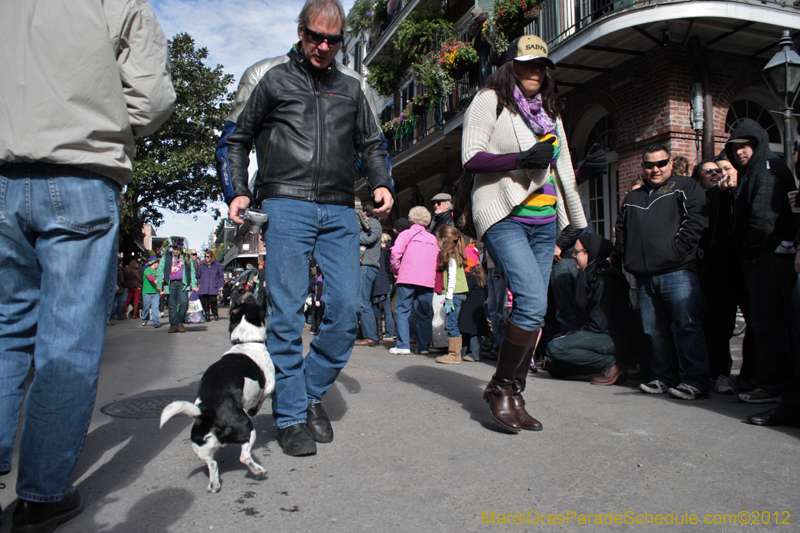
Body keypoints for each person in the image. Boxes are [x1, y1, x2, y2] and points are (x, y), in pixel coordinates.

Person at [0, 0, 174, 529]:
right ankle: (43, 494)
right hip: (79, 172)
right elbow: (152, 97)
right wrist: (105, 125)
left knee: (6, 332)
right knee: (67, 339)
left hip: (3, 172)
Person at [216, 0, 393, 456]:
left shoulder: (352, 89)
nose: (323, 46)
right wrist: (236, 189)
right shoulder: (272, 78)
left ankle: (309, 393)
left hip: (339, 209)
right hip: (286, 203)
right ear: (300, 31)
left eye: (333, 40)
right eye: (315, 36)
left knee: (345, 311)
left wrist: (382, 183)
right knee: (289, 313)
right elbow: (236, 138)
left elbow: (373, 143)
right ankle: (291, 415)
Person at [462, 35, 587, 433]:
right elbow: (471, 156)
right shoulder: (490, 100)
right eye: (528, 63)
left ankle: (514, 393)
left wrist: (578, 220)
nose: (536, 71)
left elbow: (558, 170)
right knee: (531, 300)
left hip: (544, 219)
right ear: (512, 65)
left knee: (536, 309)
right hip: (504, 215)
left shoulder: (550, 113)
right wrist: (519, 158)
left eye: (542, 65)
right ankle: (500, 388)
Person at [614, 144, 710, 400]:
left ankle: (695, 381)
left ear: (670, 163)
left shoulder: (686, 187)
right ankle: (663, 377)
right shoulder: (633, 197)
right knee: (653, 331)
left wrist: (675, 252)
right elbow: (620, 230)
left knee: (686, 326)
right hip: (644, 277)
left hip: (678, 272)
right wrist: (627, 255)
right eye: (649, 165)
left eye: (661, 163)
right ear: (642, 167)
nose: (655, 169)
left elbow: (696, 223)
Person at [725, 119, 800, 404]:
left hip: (766, 258)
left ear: (757, 143)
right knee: (774, 325)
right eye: (735, 148)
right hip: (766, 257)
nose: (740, 152)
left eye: (745, 146)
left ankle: (773, 386)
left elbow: (762, 219)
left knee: (770, 326)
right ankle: (777, 383)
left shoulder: (766, 168)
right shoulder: (757, 169)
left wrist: (747, 249)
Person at [546, 234, 634, 383]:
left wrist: (570, 337)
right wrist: (570, 336)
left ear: (589, 253)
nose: (573, 255)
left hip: (613, 339)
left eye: (577, 252)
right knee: (555, 367)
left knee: (556, 347)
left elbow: (597, 325)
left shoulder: (605, 280)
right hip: (599, 335)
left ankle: (613, 363)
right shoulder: (591, 277)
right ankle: (610, 364)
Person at [692, 158, 740, 394]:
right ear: (698, 178)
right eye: (708, 171)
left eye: (718, 170)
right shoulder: (698, 199)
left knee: (723, 325)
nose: (715, 173)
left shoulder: (732, 195)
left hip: (730, 269)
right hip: (703, 270)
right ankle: (707, 372)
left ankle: (722, 372)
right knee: (703, 324)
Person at [390, 207, 439, 356]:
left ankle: (403, 345)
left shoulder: (406, 234)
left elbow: (395, 253)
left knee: (402, 310)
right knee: (423, 313)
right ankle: (423, 346)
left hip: (408, 277)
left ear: (411, 220)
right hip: (427, 280)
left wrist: (396, 270)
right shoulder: (432, 238)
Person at [434, 226, 469, 364]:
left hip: (454, 294)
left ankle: (454, 355)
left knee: (451, 323)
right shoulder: (457, 254)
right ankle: (454, 353)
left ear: (443, 240)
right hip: (457, 293)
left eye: (437, 240)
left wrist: (448, 296)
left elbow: (452, 278)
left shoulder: (451, 256)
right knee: (452, 322)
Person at [355, 201, 384, 346]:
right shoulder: (367, 223)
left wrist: (350, 236)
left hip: (367, 266)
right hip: (363, 266)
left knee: (363, 302)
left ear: (364, 212)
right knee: (360, 302)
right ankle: (365, 333)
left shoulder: (373, 223)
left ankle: (371, 336)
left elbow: (370, 237)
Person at [155, 238, 199, 333]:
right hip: (170, 284)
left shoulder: (186, 257)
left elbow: (192, 271)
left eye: (178, 249)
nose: (175, 251)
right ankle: (173, 325)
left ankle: (180, 322)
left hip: (183, 283)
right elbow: (159, 270)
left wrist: (194, 284)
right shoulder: (167, 256)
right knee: (172, 305)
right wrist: (159, 283)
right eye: (174, 249)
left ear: (181, 249)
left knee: (183, 302)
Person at [459, 264, 490, 362]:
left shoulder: (471, 277)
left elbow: (466, 290)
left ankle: (472, 354)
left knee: (467, 331)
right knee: (474, 332)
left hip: (469, 306)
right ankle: (470, 353)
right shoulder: (481, 278)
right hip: (477, 307)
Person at [371, 233, 396, 342]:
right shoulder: (390, 253)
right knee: (388, 308)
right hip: (390, 282)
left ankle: (390, 332)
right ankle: (390, 331)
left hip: (384, 283)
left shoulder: (382, 253)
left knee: (385, 308)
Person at [196, 250, 224, 322]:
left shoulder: (217, 265)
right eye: (205, 256)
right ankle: (207, 314)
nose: (206, 258)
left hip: (213, 285)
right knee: (205, 302)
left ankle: (214, 312)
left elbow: (221, 276)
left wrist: (220, 285)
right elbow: (197, 275)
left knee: (213, 300)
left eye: (208, 257)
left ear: (211, 257)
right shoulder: (202, 266)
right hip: (204, 286)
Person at [141, 256, 162, 328]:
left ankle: (156, 322)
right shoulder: (147, 270)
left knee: (155, 307)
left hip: (156, 292)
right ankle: (144, 320)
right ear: (154, 263)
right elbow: (150, 277)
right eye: (157, 262)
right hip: (147, 292)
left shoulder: (158, 271)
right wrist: (155, 281)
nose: (158, 264)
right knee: (146, 307)